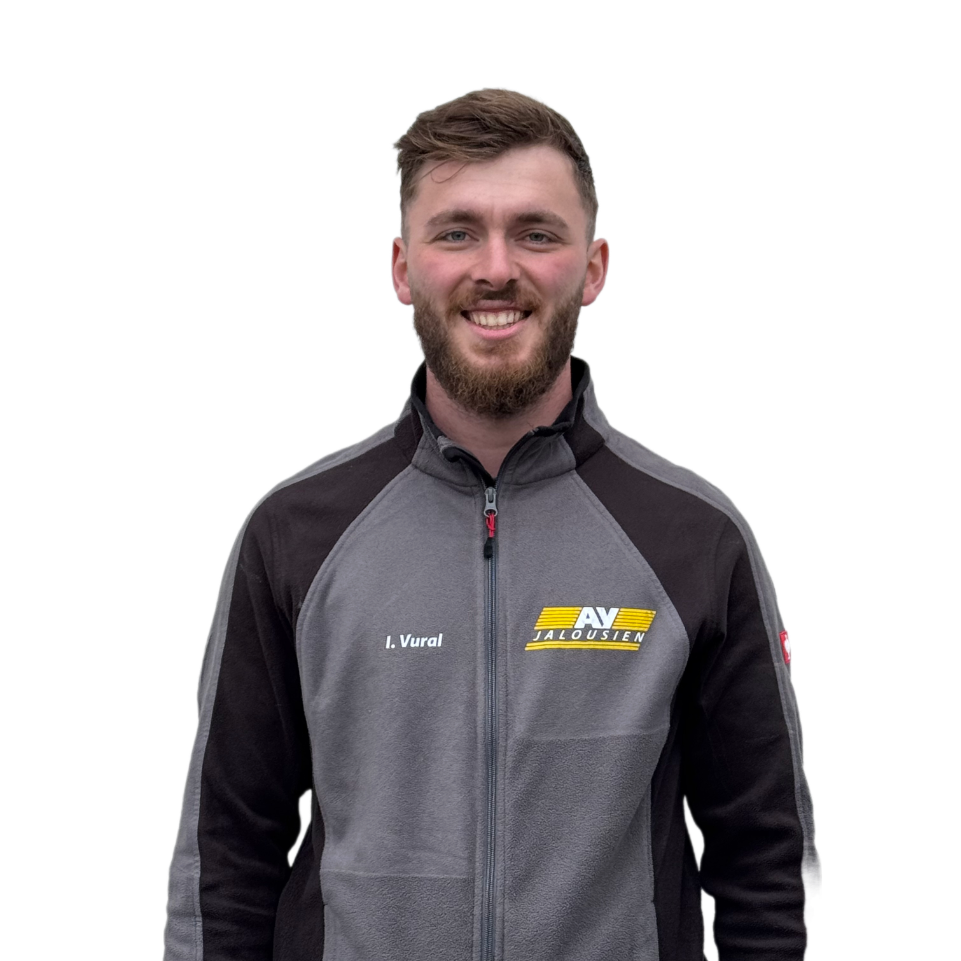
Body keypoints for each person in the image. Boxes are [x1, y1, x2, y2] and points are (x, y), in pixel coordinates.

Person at [163, 87, 821, 960]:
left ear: (594, 267)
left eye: (537, 233)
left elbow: (766, 868)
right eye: (457, 232)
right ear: (402, 267)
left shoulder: (696, 536)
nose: (496, 268)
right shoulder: (292, 533)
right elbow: (223, 861)